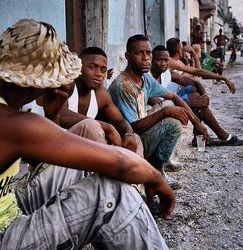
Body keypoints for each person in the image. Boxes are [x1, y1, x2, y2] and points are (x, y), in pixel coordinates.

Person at [0, 19, 174, 249]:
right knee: (113, 193)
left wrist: (52, 115)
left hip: (10, 200)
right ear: (40, 84)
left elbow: (36, 161)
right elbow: (121, 163)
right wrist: (156, 178)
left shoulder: (10, 112)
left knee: (88, 161)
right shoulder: (14, 123)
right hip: (5, 234)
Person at [109, 34, 208, 189]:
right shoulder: (123, 85)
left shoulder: (144, 78)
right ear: (128, 56)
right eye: (139, 53)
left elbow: (174, 96)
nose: (145, 58)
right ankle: (155, 171)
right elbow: (132, 128)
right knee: (171, 122)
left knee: (169, 103)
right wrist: (165, 112)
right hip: (129, 141)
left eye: (148, 53)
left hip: (141, 131)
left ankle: (159, 167)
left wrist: (197, 123)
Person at [150, 45, 243, 146]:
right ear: (151, 60)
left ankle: (201, 136)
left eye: (166, 60)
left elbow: (196, 82)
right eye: (159, 60)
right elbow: (160, 106)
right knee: (193, 99)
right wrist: (192, 107)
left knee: (196, 93)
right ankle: (219, 134)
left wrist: (205, 97)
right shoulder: (148, 78)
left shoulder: (166, 73)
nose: (163, 64)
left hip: (171, 101)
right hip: (156, 114)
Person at [59, 46, 141, 154]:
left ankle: (134, 170)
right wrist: (107, 127)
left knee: (135, 139)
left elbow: (120, 121)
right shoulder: (67, 85)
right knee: (92, 126)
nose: (99, 74)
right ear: (79, 67)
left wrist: (128, 135)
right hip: (58, 148)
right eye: (92, 67)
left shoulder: (101, 94)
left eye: (103, 70)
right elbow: (61, 115)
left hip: (82, 150)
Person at [165, 37, 236, 93]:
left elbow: (198, 71)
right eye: (181, 48)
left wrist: (194, 54)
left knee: (196, 84)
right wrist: (223, 78)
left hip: (178, 89)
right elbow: (197, 72)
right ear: (179, 50)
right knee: (195, 85)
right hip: (171, 91)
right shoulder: (171, 61)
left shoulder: (178, 62)